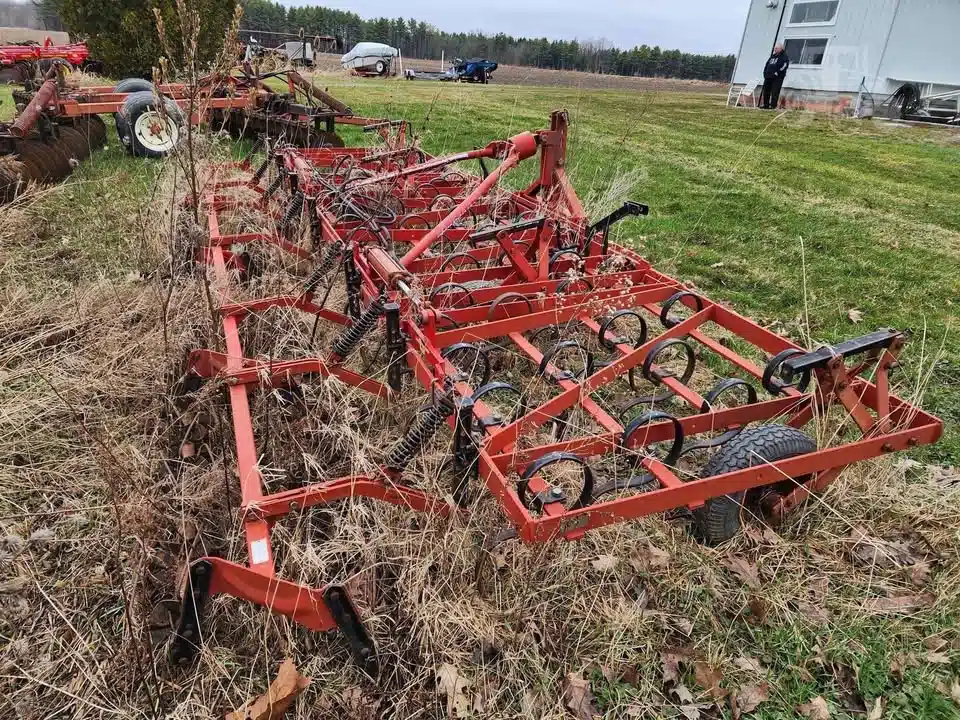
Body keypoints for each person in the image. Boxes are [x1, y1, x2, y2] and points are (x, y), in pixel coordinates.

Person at [761, 44, 789, 109]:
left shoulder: (784, 56)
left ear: (781, 49)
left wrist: (778, 72)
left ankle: (773, 105)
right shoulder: (772, 56)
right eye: (775, 48)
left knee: (775, 91)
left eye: (776, 48)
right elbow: (767, 65)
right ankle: (766, 105)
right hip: (768, 76)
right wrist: (765, 73)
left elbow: (785, 66)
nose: (775, 49)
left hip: (777, 77)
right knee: (766, 91)